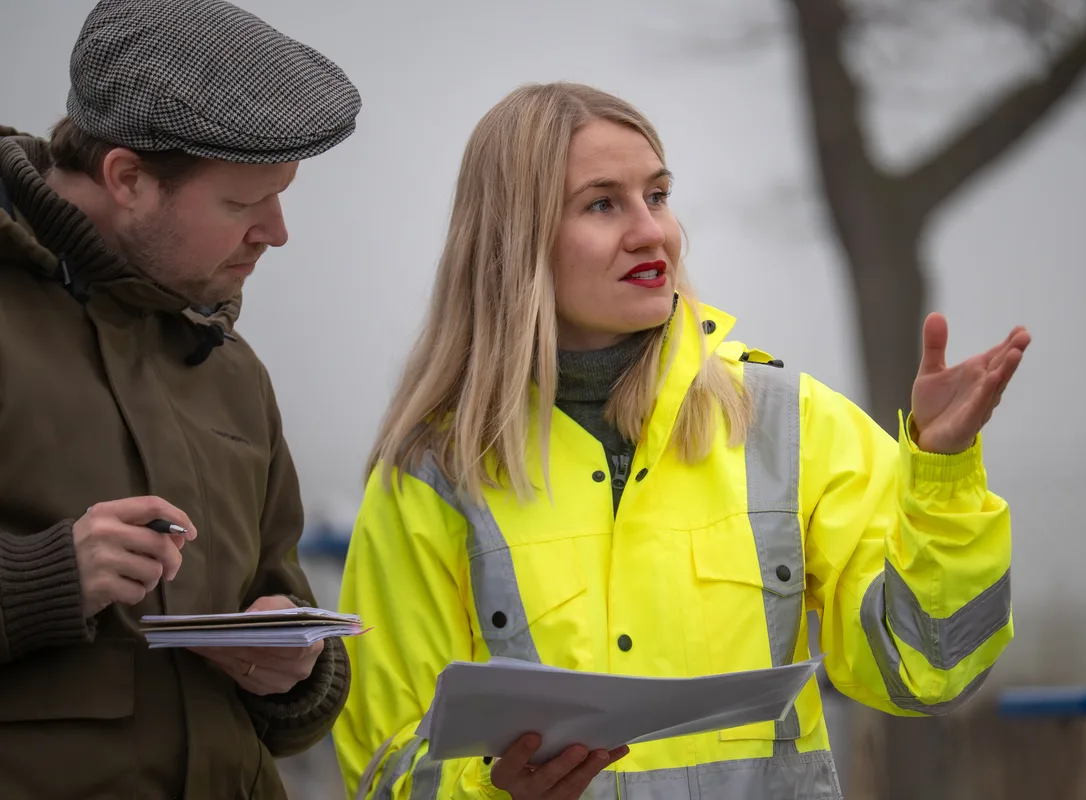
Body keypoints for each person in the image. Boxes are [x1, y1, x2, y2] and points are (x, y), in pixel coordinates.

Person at [334, 82, 1029, 800]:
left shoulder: (788, 425)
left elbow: (927, 671)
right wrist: (494, 791)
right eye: (603, 204)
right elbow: (385, 768)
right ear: (516, 240)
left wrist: (942, 476)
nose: (651, 232)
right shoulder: (431, 476)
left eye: (657, 196)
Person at [0, 1, 362, 797]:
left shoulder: (234, 372)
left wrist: (298, 667)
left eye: (281, 195)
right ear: (127, 178)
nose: (277, 231)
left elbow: (295, 658)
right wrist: (45, 580)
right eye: (242, 203)